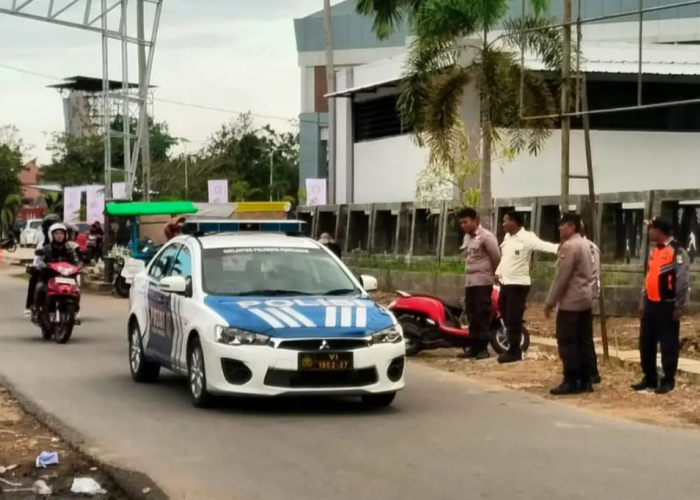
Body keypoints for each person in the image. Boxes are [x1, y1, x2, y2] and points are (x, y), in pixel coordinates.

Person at [631, 216, 689, 394]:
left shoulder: (677, 251)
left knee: (668, 344)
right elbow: (648, 279)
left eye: (652, 229)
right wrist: (642, 302)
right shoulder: (654, 251)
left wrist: (679, 306)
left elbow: (682, 281)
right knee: (646, 343)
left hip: (667, 305)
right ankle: (649, 378)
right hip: (651, 304)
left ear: (660, 231)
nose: (649, 232)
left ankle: (668, 380)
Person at [495, 211, 559, 364]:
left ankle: (514, 350)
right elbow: (505, 258)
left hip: (518, 284)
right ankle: (512, 346)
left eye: (505, 221)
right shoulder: (507, 237)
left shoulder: (527, 237)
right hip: (505, 282)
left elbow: (544, 246)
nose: (503, 224)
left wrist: (561, 248)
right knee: (504, 314)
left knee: (513, 317)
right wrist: (498, 272)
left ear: (514, 222)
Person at [544, 213, 594, 396]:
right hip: (585, 299)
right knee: (584, 341)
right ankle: (586, 379)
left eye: (562, 225)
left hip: (571, 302)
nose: (559, 228)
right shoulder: (585, 244)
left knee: (567, 342)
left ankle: (571, 379)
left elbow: (561, 278)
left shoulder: (570, 246)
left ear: (572, 226)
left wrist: (550, 302)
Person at [459, 208, 501, 360]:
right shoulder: (467, 238)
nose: (463, 225)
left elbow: (496, 257)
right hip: (470, 282)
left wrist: (497, 275)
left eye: (466, 222)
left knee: (482, 314)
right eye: (461, 223)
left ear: (475, 220)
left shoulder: (486, 237)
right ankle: (474, 347)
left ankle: (483, 348)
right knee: (472, 314)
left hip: (483, 281)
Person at [33, 223, 81, 321]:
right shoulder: (47, 248)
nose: (59, 236)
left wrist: (79, 266)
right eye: (57, 234)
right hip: (50, 276)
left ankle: (75, 312)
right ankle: (37, 311)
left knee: (77, 291)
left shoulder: (69, 248)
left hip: (67, 277)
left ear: (65, 235)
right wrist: (42, 266)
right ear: (52, 235)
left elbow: (76, 261)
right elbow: (40, 260)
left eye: (61, 234)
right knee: (39, 287)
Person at [24, 214, 61, 317]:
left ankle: (74, 310)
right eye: (50, 226)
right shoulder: (42, 244)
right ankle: (31, 306)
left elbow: (74, 258)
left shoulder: (67, 245)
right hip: (47, 271)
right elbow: (37, 260)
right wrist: (36, 267)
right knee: (34, 279)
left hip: (62, 271)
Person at [580, 221, 602, 384]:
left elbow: (593, 275)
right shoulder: (570, 246)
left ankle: (591, 372)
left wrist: (589, 296)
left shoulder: (589, 248)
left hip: (584, 298)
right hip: (572, 299)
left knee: (584, 337)